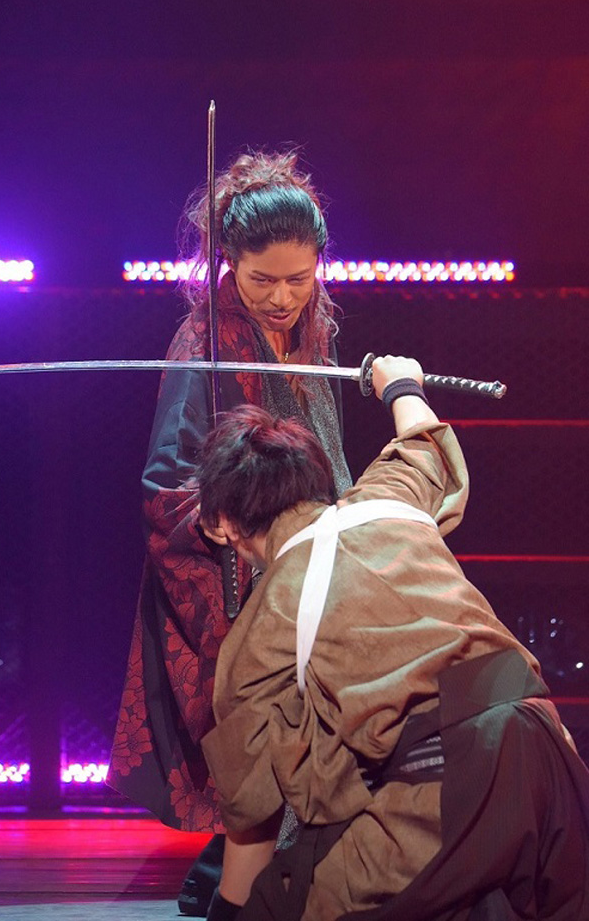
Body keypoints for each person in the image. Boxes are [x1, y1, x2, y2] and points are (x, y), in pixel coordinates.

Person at [198, 357, 589, 921]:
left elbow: (253, 821)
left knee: (279, 906)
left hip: (450, 784)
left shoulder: (259, 632)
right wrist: (400, 383)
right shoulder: (390, 502)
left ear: (223, 524)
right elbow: (422, 443)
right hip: (554, 757)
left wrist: (232, 911)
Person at [106, 151, 353, 915]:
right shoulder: (203, 343)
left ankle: (232, 878)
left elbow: (324, 451)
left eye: (298, 278)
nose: (282, 297)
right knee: (259, 733)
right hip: (238, 576)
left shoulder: (312, 332)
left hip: (311, 565)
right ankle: (225, 885)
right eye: (262, 279)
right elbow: (167, 485)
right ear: (230, 263)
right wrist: (221, 525)